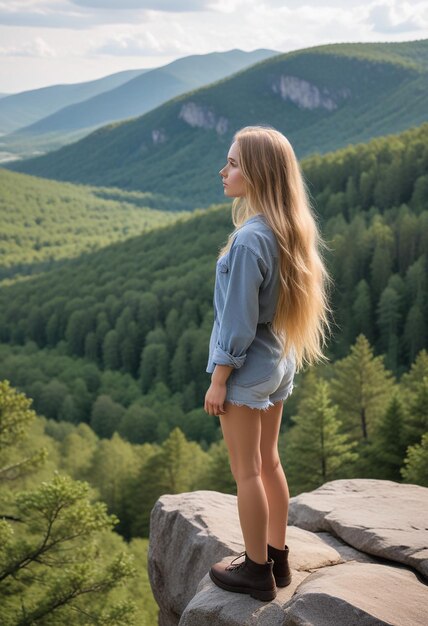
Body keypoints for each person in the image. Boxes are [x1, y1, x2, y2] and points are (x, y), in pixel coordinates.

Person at [204, 125, 333, 602]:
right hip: (279, 363)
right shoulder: (289, 228)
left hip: (246, 370)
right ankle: (277, 558)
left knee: (247, 473)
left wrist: (219, 379)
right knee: (269, 461)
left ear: (257, 173)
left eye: (233, 162)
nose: (224, 170)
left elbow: (237, 322)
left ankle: (255, 571)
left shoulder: (248, 240)